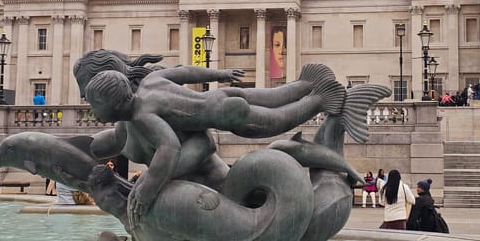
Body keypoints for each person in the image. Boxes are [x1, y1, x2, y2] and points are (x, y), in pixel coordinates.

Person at [84, 63, 346, 219]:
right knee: (272, 96)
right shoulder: (150, 83)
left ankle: (319, 100)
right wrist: (220, 73)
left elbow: (169, 147)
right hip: (222, 97)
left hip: (227, 115)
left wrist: (148, 186)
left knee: (276, 120)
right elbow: (185, 72)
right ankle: (306, 82)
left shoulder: (143, 116)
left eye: (95, 106)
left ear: (114, 105)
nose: (93, 112)